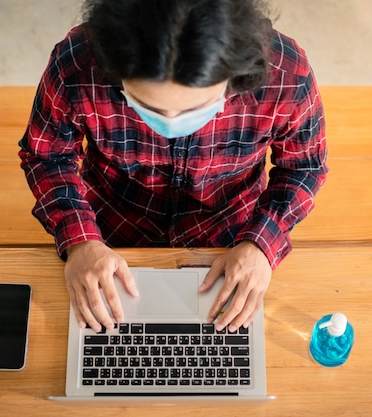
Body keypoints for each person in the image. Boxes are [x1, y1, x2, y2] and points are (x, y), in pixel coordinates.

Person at [19, 0, 327, 334]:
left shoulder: (286, 72)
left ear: (236, 70)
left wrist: (260, 245)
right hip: (110, 233)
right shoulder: (78, 63)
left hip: (230, 240)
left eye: (195, 108)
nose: (169, 121)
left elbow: (304, 167)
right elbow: (47, 156)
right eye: (146, 106)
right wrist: (80, 241)